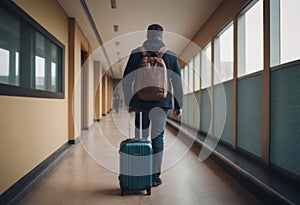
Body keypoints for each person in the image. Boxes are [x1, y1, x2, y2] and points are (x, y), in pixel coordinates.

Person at [122, 24, 183, 187]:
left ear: (147, 35)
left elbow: (127, 79)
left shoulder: (137, 53)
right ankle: (155, 176)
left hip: (140, 102)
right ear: (161, 37)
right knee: (158, 138)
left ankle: (140, 172)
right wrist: (178, 104)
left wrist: (130, 101)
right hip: (161, 104)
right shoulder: (170, 55)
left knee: (140, 137)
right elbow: (176, 81)